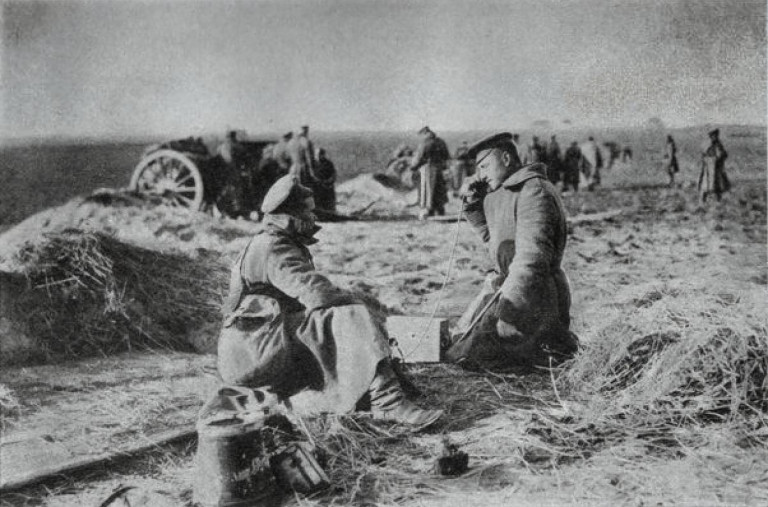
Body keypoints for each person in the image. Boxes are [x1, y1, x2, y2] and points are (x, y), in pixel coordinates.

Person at [217, 175, 443, 428]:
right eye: (309, 212)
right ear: (292, 214)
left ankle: (374, 389)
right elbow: (316, 294)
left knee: (340, 313)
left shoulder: (270, 241)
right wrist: (358, 301)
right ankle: (387, 402)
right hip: (255, 353)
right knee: (350, 315)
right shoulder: (273, 247)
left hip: (257, 346)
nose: (314, 219)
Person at [445, 133, 579, 369]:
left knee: (473, 356)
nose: (481, 174)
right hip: (508, 288)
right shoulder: (504, 191)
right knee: (457, 345)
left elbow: (531, 260)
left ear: (506, 159)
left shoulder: (533, 192)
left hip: (534, 295)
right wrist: (473, 205)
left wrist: (509, 312)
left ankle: (553, 344)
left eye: (485, 166)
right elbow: (492, 239)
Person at [409, 126, 450, 219]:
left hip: (427, 167)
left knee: (426, 189)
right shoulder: (441, 141)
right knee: (439, 189)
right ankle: (440, 210)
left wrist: (413, 167)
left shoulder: (425, 142)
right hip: (439, 167)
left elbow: (420, 157)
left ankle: (427, 210)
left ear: (424, 133)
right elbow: (446, 155)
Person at [698, 128, 730, 202]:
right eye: (712, 136)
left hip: (717, 169)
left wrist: (718, 159)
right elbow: (703, 155)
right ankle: (702, 201)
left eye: (715, 135)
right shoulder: (708, 145)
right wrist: (708, 160)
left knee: (718, 186)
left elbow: (723, 155)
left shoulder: (719, 145)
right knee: (705, 185)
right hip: (708, 170)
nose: (714, 137)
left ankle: (718, 201)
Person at [311, 147, 337, 212]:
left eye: (320, 154)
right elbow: (311, 175)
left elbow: (333, 175)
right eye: (317, 155)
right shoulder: (313, 164)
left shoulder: (329, 163)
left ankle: (330, 211)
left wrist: (327, 182)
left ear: (323, 155)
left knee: (329, 203)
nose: (319, 156)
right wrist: (316, 180)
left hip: (328, 187)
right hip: (318, 187)